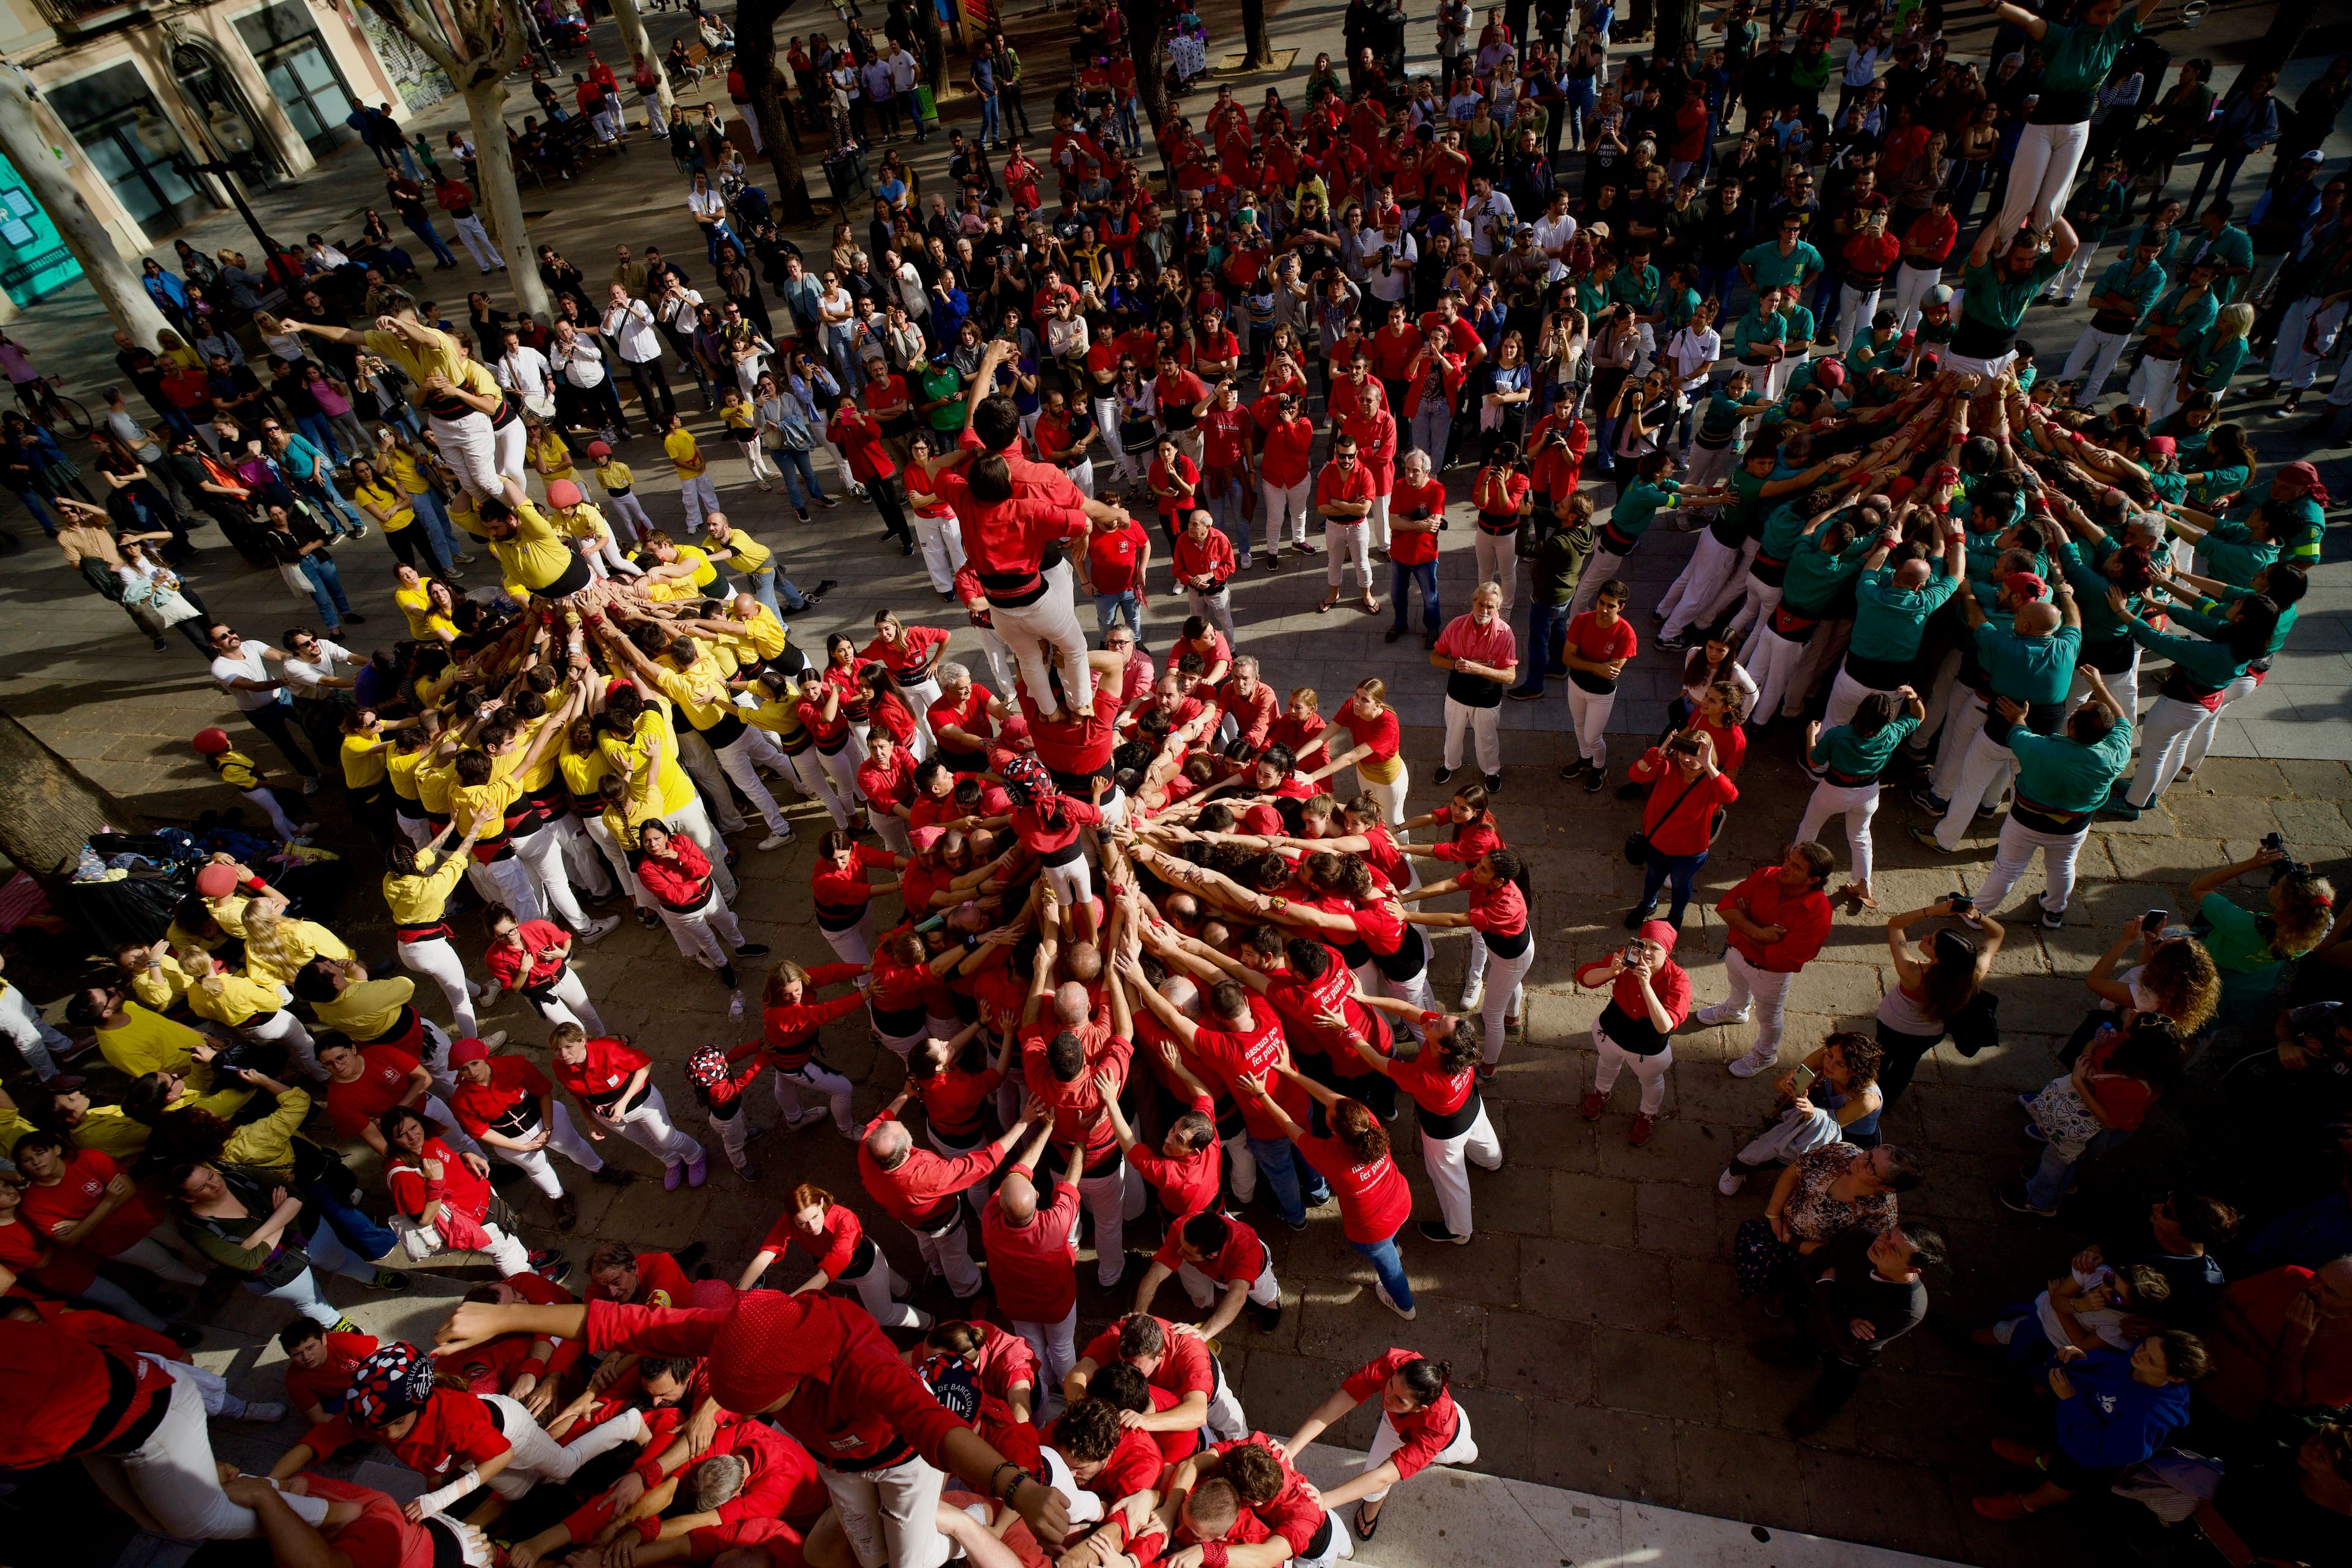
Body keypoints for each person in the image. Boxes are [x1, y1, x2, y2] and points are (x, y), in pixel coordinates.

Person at [1280, 1352, 1475, 1542]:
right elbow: (1335, 1405)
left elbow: (1384, 1477)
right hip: (1398, 1423)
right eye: (1390, 1385)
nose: (1388, 1398)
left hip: (1447, 1444)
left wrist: (1322, 1502)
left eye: (1399, 1399)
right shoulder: (1396, 1363)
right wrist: (1289, 1449)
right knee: (1372, 1470)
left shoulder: (1437, 1429)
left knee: (1465, 1452)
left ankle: (1465, 1457)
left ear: (1419, 1408)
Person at [1701, 842, 1837, 1077]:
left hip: (1769, 973)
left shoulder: (1818, 916)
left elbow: (1783, 959)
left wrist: (1742, 923)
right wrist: (1760, 934)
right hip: (1736, 952)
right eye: (1788, 860)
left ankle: (1765, 1054)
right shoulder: (1767, 875)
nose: (1785, 867)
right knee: (1737, 985)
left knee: (1768, 1017)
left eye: (1796, 867)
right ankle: (1735, 1011)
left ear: (1813, 880)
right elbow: (1725, 908)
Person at [1577, 921, 1692, 1145]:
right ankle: (1601, 1092)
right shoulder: (1626, 957)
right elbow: (1585, 978)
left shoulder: (1678, 980)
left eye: (1655, 948)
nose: (1646, 952)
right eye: (1643, 944)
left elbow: (1664, 1025)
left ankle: (1648, 1114)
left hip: (1648, 1046)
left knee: (1650, 1081)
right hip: (1611, 1030)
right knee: (1607, 1063)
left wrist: (1646, 985)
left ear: (1667, 952)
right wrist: (1612, 970)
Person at [1430, 582, 1515, 791]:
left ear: (1498, 609)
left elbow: (1510, 677)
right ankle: (1449, 764)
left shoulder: (1505, 634)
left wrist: (1478, 669)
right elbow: (1435, 658)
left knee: (1487, 738)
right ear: (1473, 602)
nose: (1484, 611)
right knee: (1453, 733)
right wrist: (1455, 665)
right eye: (1481, 605)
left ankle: (1491, 771)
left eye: (1490, 607)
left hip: (1487, 697)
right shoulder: (1456, 625)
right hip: (1457, 692)